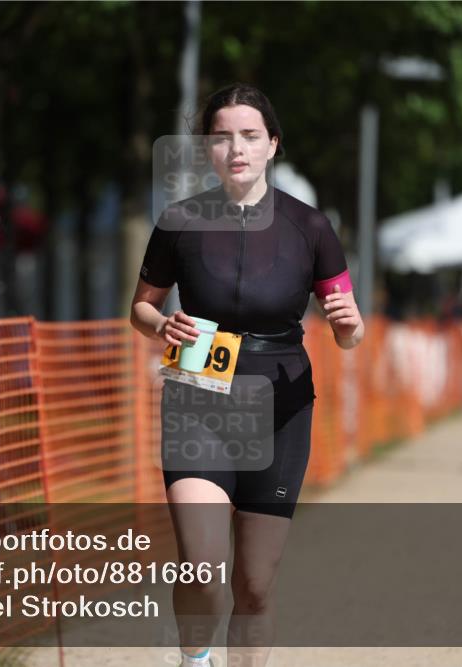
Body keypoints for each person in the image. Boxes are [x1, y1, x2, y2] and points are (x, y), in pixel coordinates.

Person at [130, 83, 363, 667]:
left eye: (250, 136)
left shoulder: (310, 228)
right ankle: (194, 658)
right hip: (198, 397)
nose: (237, 148)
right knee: (203, 567)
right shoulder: (181, 220)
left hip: (281, 405)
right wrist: (161, 327)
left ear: (272, 145)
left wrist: (349, 323)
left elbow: (349, 332)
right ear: (207, 148)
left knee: (255, 585)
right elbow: (142, 306)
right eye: (222, 136)